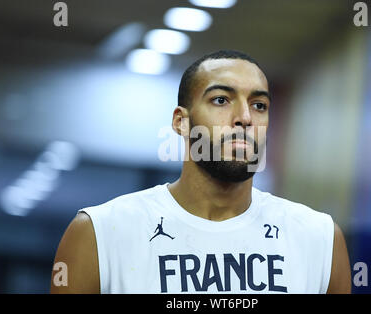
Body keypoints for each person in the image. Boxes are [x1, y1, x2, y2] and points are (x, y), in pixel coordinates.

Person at [50, 50, 351, 294]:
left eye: (259, 105)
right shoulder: (99, 233)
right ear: (181, 121)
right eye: (221, 100)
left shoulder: (319, 238)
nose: (245, 118)